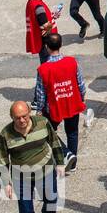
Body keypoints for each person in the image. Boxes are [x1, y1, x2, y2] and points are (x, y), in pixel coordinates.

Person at [0, 101, 64, 213]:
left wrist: (60, 163)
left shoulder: (42, 123)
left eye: (24, 116)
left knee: (51, 199)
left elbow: (54, 141)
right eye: (17, 118)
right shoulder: (6, 134)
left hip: (45, 170)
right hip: (21, 177)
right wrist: (6, 182)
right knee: (26, 209)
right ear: (11, 118)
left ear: (29, 113)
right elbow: (2, 159)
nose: (22, 121)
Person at [32, 33, 89, 172]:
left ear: (46, 47)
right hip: (72, 101)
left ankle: (65, 153)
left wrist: (39, 110)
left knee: (46, 131)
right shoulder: (72, 62)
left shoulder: (43, 69)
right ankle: (73, 163)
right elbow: (80, 83)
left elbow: (41, 93)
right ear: (61, 45)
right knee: (72, 132)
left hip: (54, 106)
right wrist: (82, 96)